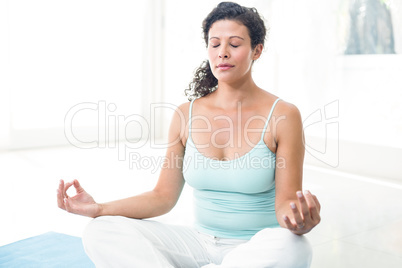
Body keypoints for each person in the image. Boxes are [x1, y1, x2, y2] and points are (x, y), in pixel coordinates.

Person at [57, 2, 321, 267]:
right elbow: (162, 197)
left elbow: (286, 203)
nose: (223, 53)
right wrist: (99, 209)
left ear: (257, 50)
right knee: (101, 230)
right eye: (215, 44)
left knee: (294, 246)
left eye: (235, 44)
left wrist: (299, 220)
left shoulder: (283, 115)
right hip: (197, 243)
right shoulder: (186, 114)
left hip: (254, 249)